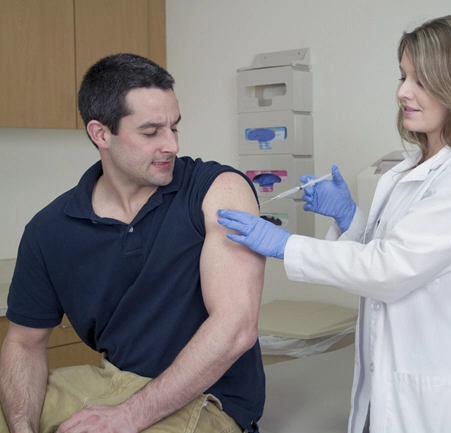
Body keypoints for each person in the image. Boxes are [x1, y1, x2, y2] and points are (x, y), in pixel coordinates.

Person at [218, 14, 451, 433]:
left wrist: (286, 244)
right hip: (399, 382)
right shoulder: (411, 167)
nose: (403, 91)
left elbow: (391, 269)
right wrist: (351, 218)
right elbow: (404, 252)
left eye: (421, 80)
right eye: (404, 75)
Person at [0, 53, 265, 433]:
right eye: (151, 131)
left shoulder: (217, 189)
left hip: (210, 398)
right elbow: (24, 343)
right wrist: (22, 427)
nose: (171, 144)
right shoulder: (48, 231)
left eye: (175, 127)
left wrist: (127, 417)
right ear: (100, 134)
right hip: (116, 385)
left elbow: (236, 326)